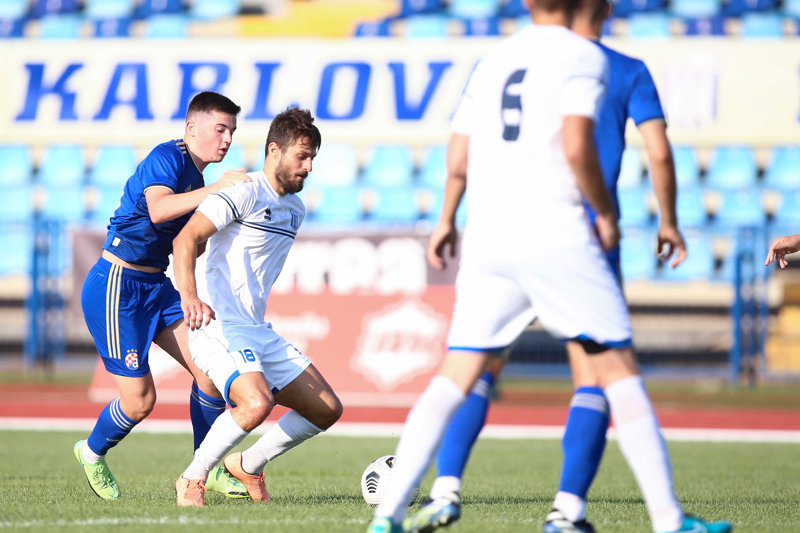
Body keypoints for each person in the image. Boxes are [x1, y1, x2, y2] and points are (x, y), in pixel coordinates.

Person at [366, 0, 732, 532]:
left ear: (527, 2)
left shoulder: (493, 60)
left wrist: (447, 217)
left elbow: (458, 158)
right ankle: (661, 518)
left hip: (490, 235)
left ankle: (389, 515)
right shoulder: (586, 56)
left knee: (456, 373)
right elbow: (578, 145)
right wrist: (605, 212)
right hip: (559, 231)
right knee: (614, 370)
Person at [73, 91, 251, 501]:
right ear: (191, 128)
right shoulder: (167, 156)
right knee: (140, 402)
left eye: (231, 131)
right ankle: (91, 452)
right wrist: (216, 192)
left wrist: (224, 222)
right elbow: (158, 210)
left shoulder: (198, 181)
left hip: (156, 286)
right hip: (117, 286)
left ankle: (205, 469)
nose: (226, 139)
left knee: (210, 373)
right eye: (219, 129)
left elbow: (188, 246)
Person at [170, 107, 343, 507]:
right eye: (302, 156)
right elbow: (186, 239)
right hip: (217, 325)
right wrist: (190, 295)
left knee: (326, 409)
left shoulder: (295, 209)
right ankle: (192, 478)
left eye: (313, 158)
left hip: (255, 329)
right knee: (255, 403)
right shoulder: (243, 191)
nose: (309, 166)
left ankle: (248, 465)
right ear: (274, 150)